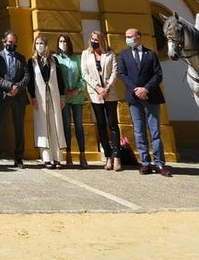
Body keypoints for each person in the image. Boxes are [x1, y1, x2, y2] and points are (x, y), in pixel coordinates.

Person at [117, 27, 170, 177]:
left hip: (151, 97)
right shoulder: (124, 54)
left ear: (138, 37)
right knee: (139, 131)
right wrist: (136, 90)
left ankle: (159, 164)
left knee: (155, 132)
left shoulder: (151, 54)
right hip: (134, 98)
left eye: (130, 36)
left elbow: (158, 75)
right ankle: (145, 163)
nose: (127, 38)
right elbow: (122, 74)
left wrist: (146, 89)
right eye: (126, 36)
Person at [82, 30, 121, 170]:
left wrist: (107, 89)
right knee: (101, 125)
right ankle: (108, 157)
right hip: (95, 94)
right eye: (92, 39)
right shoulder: (85, 54)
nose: (93, 41)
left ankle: (117, 157)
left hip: (110, 94)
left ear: (102, 40)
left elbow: (114, 73)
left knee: (112, 124)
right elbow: (85, 73)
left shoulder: (110, 54)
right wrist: (98, 88)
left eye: (96, 39)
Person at [0, 30, 29, 169]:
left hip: (19, 97)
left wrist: (17, 87)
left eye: (14, 42)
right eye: (9, 42)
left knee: (19, 128)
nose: (11, 44)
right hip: (3, 96)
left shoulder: (21, 57)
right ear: (3, 42)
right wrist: (9, 86)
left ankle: (19, 158)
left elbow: (26, 76)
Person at [29, 33, 66, 168]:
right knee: (43, 125)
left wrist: (62, 96)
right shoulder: (31, 61)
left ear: (46, 45)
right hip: (39, 98)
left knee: (55, 124)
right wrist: (33, 97)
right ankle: (46, 157)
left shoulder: (53, 60)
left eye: (42, 44)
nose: (39, 46)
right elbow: (30, 82)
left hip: (54, 95)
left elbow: (60, 80)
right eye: (37, 44)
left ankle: (57, 157)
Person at [55, 34, 87, 167]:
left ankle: (82, 155)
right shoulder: (55, 58)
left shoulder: (77, 59)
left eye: (65, 41)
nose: (63, 43)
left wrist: (78, 89)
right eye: (60, 41)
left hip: (77, 97)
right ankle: (68, 154)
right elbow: (55, 77)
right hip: (64, 98)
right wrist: (64, 92)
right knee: (66, 126)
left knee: (79, 125)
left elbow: (84, 76)